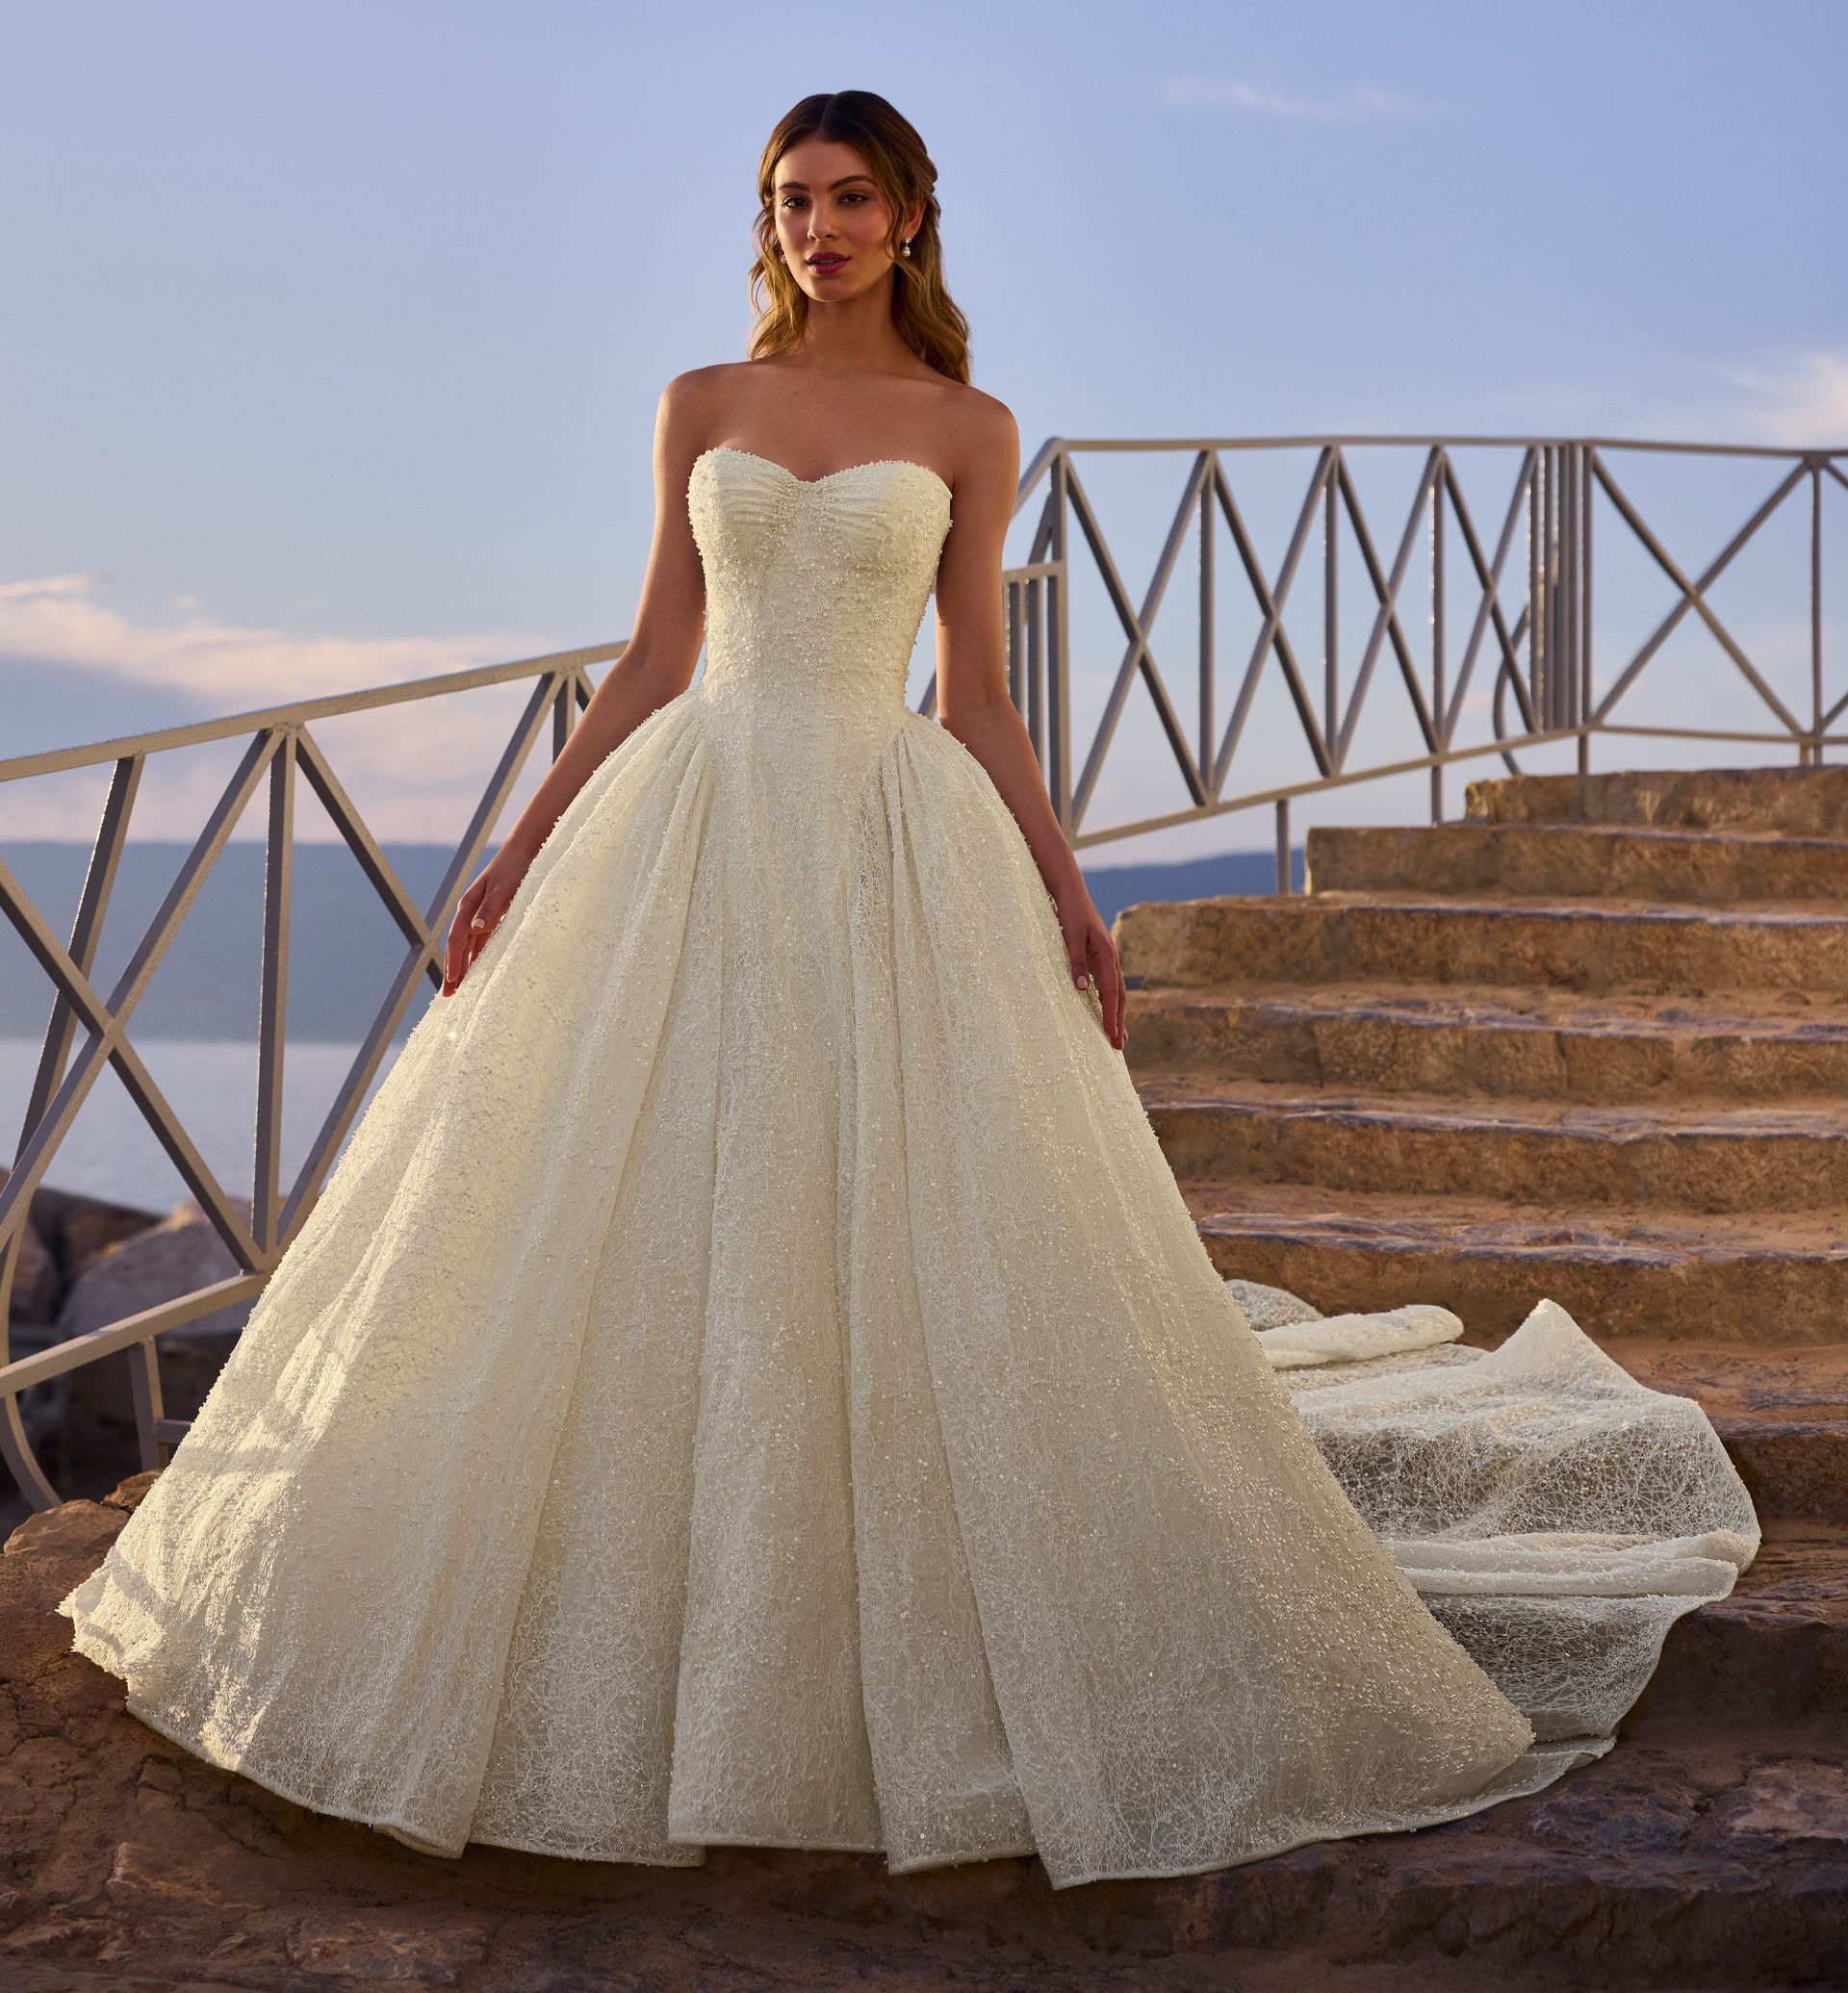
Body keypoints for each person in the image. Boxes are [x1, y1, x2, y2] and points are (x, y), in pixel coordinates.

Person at [61, 91, 1755, 1887]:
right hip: (690, 826)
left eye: (851, 197)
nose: (820, 226)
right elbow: (653, 657)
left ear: (913, 216)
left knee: (866, 1213)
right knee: (637, 1209)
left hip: (878, 835)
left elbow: (981, 690)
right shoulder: (699, 404)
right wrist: (522, 844)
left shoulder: (968, 428)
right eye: (793, 199)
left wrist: (1071, 890)